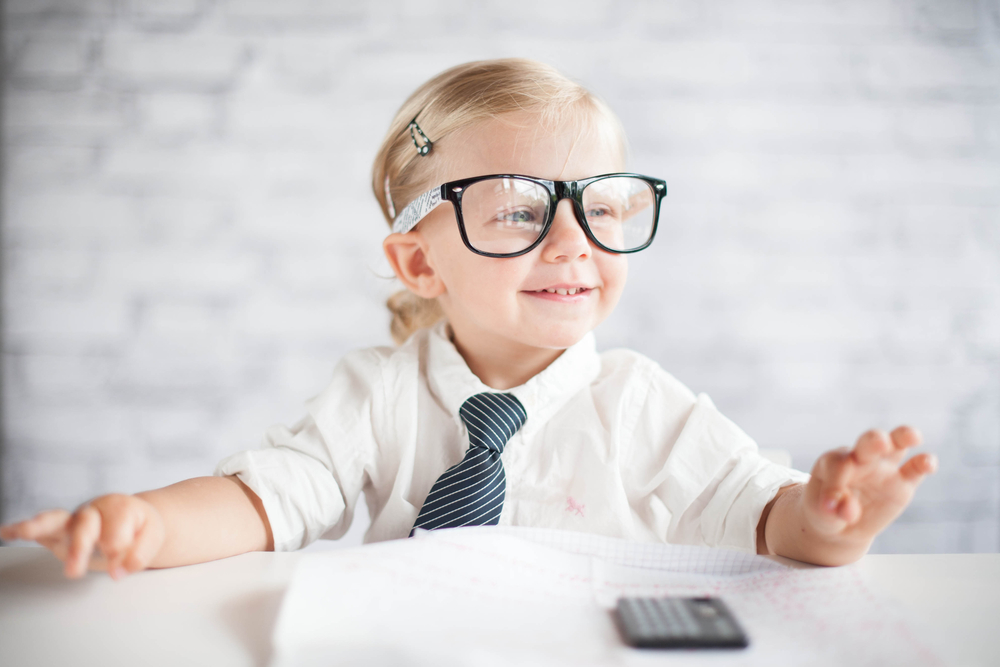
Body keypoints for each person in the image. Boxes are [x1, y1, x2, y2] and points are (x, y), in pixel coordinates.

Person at [0, 58, 937, 579]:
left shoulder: (642, 405)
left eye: (602, 207)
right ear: (418, 260)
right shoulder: (377, 394)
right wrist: (145, 523)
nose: (574, 240)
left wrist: (830, 515)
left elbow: (765, 519)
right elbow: (262, 499)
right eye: (522, 209)